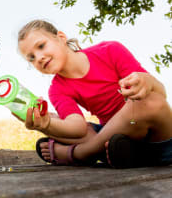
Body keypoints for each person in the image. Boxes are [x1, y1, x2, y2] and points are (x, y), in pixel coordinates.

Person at [16, 19, 172, 168]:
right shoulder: (57, 89)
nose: (39, 58)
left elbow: (160, 95)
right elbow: (77, 128)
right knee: (57, 121)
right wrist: (46, 125)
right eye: (31, 58)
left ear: (61, 38)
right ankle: (125, 155)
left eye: (41, 46)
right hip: (116, 143)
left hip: (158, 143)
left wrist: (147, 82)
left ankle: (79, 154)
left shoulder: (110, 51)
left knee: (148, 101)